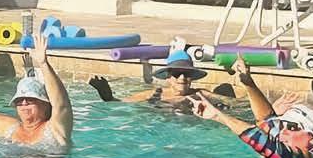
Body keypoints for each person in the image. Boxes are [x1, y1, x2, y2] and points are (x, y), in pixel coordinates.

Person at [88, 50, 228, 109]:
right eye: (177, 73)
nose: (182, 77)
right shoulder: (155, 94)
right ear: (168, 77)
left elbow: (234, 104)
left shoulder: (201, 94)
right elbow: (121, 102)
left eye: (187, 73)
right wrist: (107, 96)